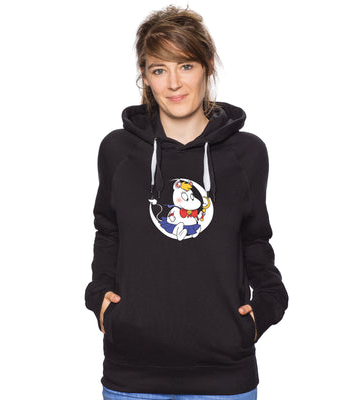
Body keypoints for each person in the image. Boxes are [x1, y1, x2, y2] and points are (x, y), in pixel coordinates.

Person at [85, 5, 289, 400]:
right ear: (145, 76)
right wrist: (101, 299)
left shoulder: (246, 154)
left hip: (223, 377)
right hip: (133, 375)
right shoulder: (118, 151)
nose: (174, 83)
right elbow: (108, 231)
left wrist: (267, 305)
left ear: (208, 66)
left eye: (186, 66)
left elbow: (255, 240)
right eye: (159, 69)